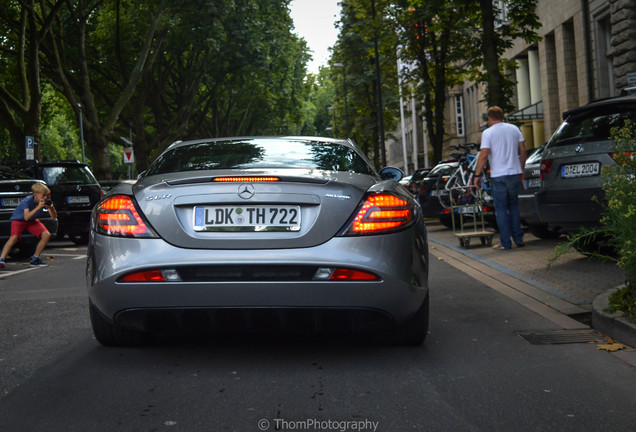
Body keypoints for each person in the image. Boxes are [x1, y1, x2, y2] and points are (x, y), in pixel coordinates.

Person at [473, 106, 527, 250]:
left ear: (489, 118)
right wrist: (522, 168)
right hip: (514, 173)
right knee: (514, 207)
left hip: (498, 175)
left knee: (501, 210)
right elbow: (522, 150)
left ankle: (505, 243)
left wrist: (477, 175)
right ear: (502, 115)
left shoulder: (488, 133)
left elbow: (484, 155)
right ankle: (519, 238)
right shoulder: (514, 129)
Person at [0, 182, 57, 268]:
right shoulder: (27, 200)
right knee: (14, 238)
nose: (45, 197)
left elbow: (53, 216)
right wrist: (38, 207)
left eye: (47, 195)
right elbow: (26, 217)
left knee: (46, 235)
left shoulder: (43, 201)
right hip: (19, 220)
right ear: (35, 195)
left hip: (32, 221)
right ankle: (1, 259)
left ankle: (35, 259)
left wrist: (51, 207)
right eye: (43, 195)